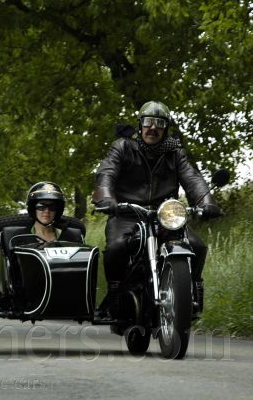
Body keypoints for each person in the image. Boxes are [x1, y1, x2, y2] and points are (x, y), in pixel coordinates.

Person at [92, 100, 222, 317]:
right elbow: (107, 172)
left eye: (159, 123)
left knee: (197, 246)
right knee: (116, 247)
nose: (153, 128)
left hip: (166, 215)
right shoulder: (123, 147)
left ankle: (193, 289)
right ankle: (115, 293)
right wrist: (106, 197)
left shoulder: (175, 153)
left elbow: (192, 178)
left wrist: (206, 202)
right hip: (126, 213)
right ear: (140, 124)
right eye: (149, 122)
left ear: (166, 128)